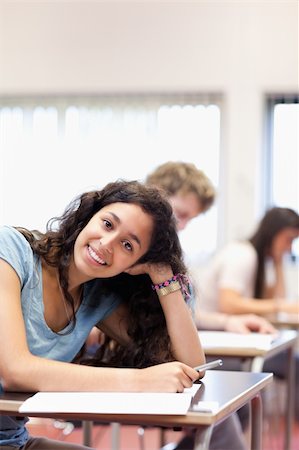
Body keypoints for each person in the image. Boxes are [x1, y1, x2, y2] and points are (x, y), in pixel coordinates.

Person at [0, 180, 205, 450]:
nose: (107, 244)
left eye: (128, 246)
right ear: (89, 216)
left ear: (134, 265)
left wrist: (163, 275)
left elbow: (190, 365)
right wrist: (140, 381)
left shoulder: (97, 297)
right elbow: (15, 371)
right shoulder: (11, 251)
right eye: (108, 224)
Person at [145, 161, 277, 334]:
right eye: (180, 214)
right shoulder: (128, 247)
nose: (182, 226)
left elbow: (184, 313)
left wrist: (227, 321)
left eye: (189, 219)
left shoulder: (167, 252)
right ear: (155, 195)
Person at [196, 206, 299, 421]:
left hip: (227, 339)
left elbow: (274, 298)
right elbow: (229, 304)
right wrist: (280, 307)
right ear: (273, 232)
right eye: (289, 239)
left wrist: (279, 262)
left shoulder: (258, 259)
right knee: (294, 364)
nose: (290, 248)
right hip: (211, 344)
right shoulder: (243, 254)